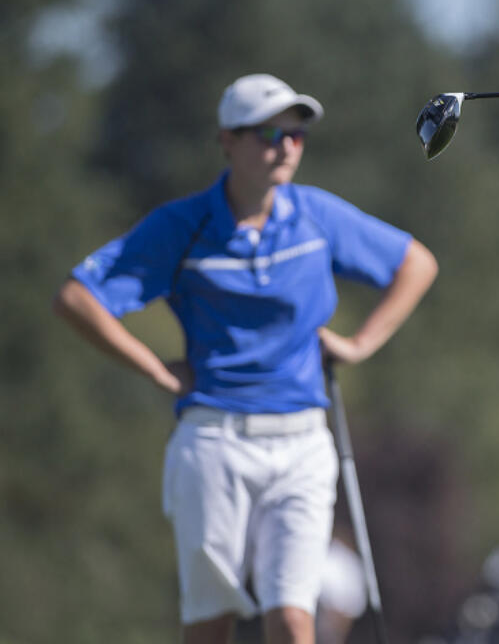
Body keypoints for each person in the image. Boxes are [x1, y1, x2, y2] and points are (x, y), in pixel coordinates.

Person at [53, 73, 438, 644]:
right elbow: (78, 297)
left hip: (303, 443)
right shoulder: (183, 227)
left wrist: (360, 344)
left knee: (292, 617)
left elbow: (416, 263)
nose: (284, 146)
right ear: (227, 141)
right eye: (267, 134)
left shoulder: (316, 216)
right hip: (214, 442)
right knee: (212, 622)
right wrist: (157, 369)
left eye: (296, 135)